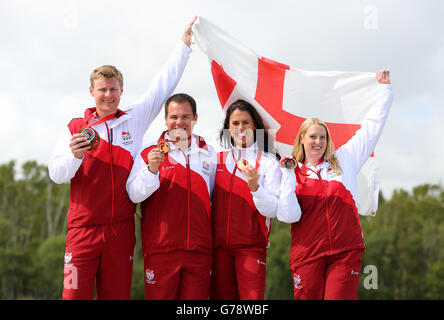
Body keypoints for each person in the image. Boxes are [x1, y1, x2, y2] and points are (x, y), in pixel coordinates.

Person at [48, 17, 197, 300]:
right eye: (102, 89)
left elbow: (162, 85)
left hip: (121, 232)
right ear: (91, 91)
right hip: (81, 233)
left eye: (113, 89)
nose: (108, 95)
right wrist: (74, 155)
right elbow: (57, 173)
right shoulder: (75, 127)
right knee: (72, 296)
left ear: (121, 91)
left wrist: (185, 45)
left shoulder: (133, 119)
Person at [277, 70, 393, 300]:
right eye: (313, 137)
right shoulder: (292, 171)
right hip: (307, 255)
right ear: (302, 139)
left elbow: (371, 130)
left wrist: (385, 91)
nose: (318, 142)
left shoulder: (344, 160)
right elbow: (287, 215)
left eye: (323, 137)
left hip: (345, 251)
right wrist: (288, 176)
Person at [126, 93, 217, 300]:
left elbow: (214, 200)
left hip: (199, 251)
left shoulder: (208, 154)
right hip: (161, 250)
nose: (179, 122)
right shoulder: (147, 153)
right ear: (165, 119)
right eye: (174, 117)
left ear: (195, 118)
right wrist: (151, 169)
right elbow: (133, 194)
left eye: (185, 116)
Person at [210, 99, 281, 300]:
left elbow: (273, 210)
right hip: (218, 250)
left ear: (255, 126)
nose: (240, 128)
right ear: (227, 129)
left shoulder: (268, 163)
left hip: (251, 249)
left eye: (246, 123)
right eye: (235, 123)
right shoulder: (216, 160)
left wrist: (255, 188)